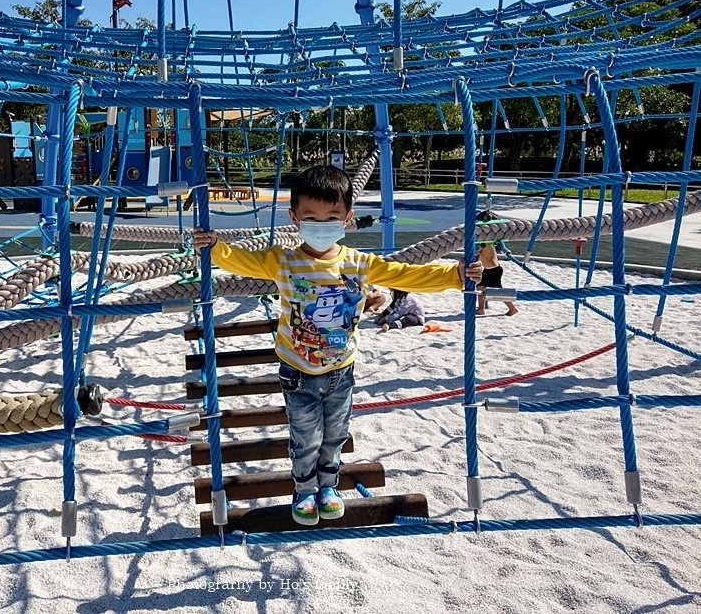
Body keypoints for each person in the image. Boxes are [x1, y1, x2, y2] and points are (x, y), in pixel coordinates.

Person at [193, 165, 483, 526]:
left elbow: (405, 273)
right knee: (305, 438)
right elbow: (241, 261)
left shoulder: (358, 264)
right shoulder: (284, 261)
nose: (321, 223)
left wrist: (453, 277)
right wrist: (216, 247)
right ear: (294, 218)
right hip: (297, 371)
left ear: (346, 218)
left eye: (331, 216)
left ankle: (327, 486)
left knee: (335, 435)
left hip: (341, 370)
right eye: (311, 216)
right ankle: (303, 489)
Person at [476, 242, 518, 316]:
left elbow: (476, 252)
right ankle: (481, 309)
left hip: (493, 270)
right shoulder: (485, 242)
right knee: (480, 287)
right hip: (486, 269)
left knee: (498, 291)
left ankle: (512, 308)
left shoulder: (485, 243)